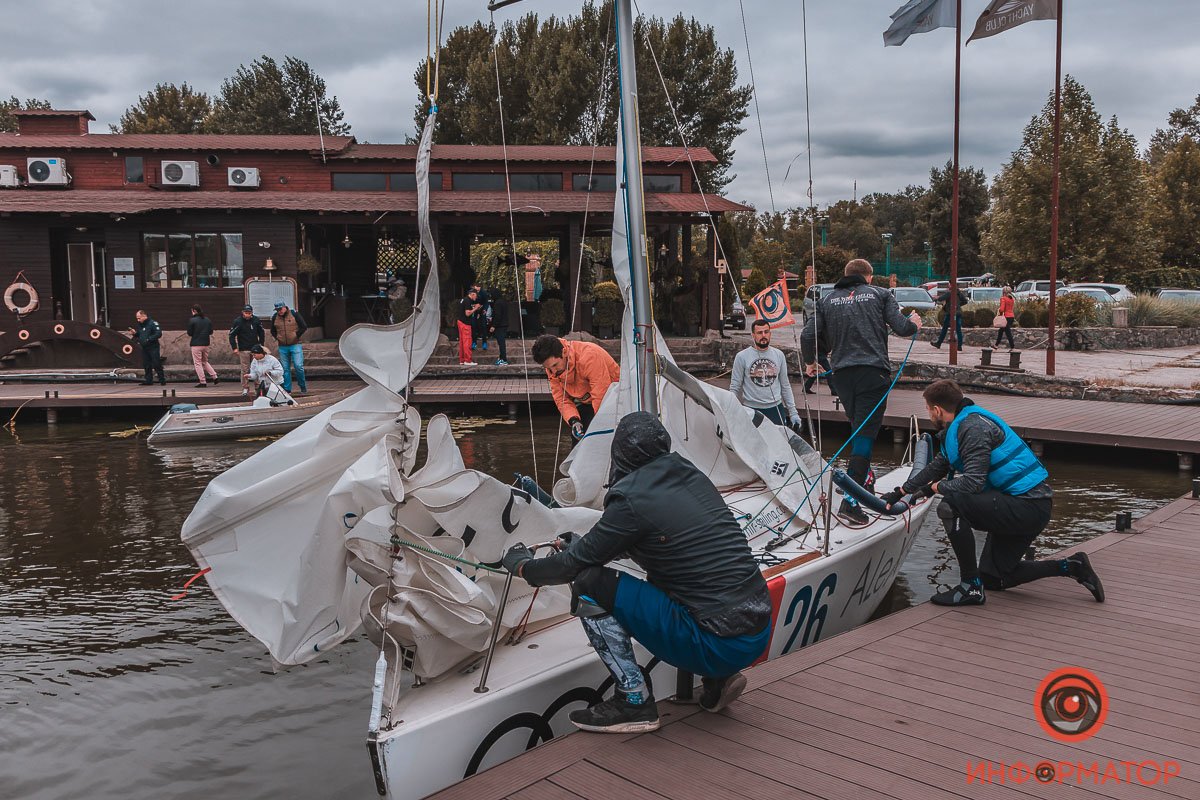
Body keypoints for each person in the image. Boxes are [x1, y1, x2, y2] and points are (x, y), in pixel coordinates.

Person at [501, 412, 771, 733]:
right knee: (684, 575)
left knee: (589, 583)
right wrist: (581, 545)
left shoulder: (631, 498)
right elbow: (654, 540)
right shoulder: (690, 476)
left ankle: (633, 701)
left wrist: (521, 565)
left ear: (620, 453)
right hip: (758, 630)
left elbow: (573, 568)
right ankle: (717, 680)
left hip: (716, 643)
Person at [881, 379, 1104, 606]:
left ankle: (970, 586)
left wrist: (934, 488)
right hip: (1022, 504)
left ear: (937, 409)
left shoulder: (973, 427)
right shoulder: (962, 425)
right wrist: (901, 492)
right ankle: (1072, 566)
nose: (929, 414)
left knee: (951, 505)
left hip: (1028, 506)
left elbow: (973, 484)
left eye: (928, 410)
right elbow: (938, 466)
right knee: (995, 578)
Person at [800, 258, 921, 525]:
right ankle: (851, 503)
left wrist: (811, 363)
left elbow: (808, 336)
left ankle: (863, 482)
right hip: (872, 373)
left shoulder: (826, 300)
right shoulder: (881, 294)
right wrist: (914, 322)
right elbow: (902, 328)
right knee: (865, 437)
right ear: (869, 276)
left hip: (841, 375)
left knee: (857, 429)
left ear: (845, 276)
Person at [531, 334, 620, 441]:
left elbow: (601, 394)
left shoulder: (589, 356)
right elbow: (561, 399)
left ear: (564, 352)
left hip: (614, 400)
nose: (553, 372)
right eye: (548, 368)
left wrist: (599, 427)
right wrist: (574, 420)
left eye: (555, 365)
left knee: (601, 437)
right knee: (577, 433)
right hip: (587, 401)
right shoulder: (552, 369)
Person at [729, 319, 801, 429]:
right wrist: (729, 410)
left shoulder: (779, 355)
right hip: (751, 410)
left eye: (766, 332)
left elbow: (785, 386)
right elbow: (735, 387)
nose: (763, 335)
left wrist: (793, 412)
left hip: (775, 409)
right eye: (759, 333)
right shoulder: (742, 357)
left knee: (778, 444)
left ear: (770, 333)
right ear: (753, 335)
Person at [269, 300, 308, 394]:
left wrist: (296, 336)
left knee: (298, 366)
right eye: (277, 310)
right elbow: (272, 330)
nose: (279, 311)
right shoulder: (275, 317)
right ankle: (287, 389)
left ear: (285, 307)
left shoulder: (294, 314)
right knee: (285, 369)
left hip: (295, 344)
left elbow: (304, 326)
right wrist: (278, 338)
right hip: (282, 346)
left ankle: (302, 386)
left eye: (280, 309)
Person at [229, 305, 265, 397]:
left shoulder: (256, 320)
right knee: (245, 369)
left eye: (249, 313)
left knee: (257, 368)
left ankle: (258, 387)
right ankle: (245, 387)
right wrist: (234, 347)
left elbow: (261, 333)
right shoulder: (238, 321)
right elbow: (232, 335)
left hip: (255, 348)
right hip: (243, 348)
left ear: (252, 313)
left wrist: (261, 345)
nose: (248, 315)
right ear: (242, 312)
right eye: (246, 313)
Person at [128, 310, 165, 386]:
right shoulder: (141, 324)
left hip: (153, 346)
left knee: (156, 363)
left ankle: (162, 379)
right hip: (144, 347)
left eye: (139, 318)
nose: (138, 320)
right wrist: (135, 333)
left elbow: (158, 333)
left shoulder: (153, 323)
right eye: (137, 318)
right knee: (146, 364)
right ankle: (148, 380)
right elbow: (140, 334)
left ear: (144, 316)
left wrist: (149, 339)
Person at [187, 305, 219, 388]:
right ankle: (215, 377)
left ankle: (203, 381)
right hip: (206, 343)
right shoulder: (207, 320)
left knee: (197, 363)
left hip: (196, 344)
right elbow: (211, 332)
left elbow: (189, 333)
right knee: (205, 361)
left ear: (194, 311)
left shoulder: (192, 320)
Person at [932, 283, 969, 350]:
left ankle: (939, 343)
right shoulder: (959, 293)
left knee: (945, 328)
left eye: (949, 284)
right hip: (958, 313)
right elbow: (965, 301)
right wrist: (958, 305)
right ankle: (959, 346)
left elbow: (941, 298)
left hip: (951, 313)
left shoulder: (950, 293)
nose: (948, 286)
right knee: (958, 329)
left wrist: (936, 298)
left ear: (952, 285)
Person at [456, 288, 480, 366]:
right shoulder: (468, 301)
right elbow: (467, 313)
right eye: (476, 296)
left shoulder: (463, 299)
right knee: (467, 342)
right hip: (465, 324)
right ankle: (468, 360)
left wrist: (472, 307)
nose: (476, 298)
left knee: (462, 342)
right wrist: (475, 308)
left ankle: (462, 360)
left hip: (460, 322)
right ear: (472, 294)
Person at [488, 288, 510, 366]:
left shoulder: (497, 303)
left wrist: (493, 325)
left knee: (501, 343)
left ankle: (503, 359)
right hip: (504, 324)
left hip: (500, 326)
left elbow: (498, 315)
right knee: (501, 342)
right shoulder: (503, 301)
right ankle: (502, 358)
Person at [471, 284, 491, 351]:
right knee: (473, 325)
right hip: (474, 310)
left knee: (484, 325)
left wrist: (485, 309)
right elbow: (470, 301)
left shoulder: (483, 293)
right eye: (476, 287)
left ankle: (484, 342)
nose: (478, 288)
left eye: (479, 287)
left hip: (482, 310)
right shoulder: (472, 292)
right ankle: (474, 342)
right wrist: (474, 306)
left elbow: (486, 302)